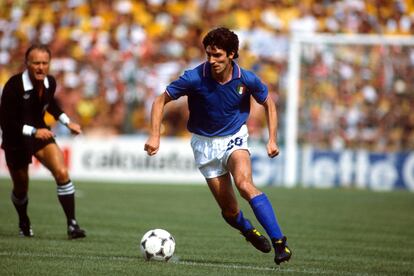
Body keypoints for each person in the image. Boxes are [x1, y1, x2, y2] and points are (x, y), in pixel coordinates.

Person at [144, 27, 291, 265]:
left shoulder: (247, 78)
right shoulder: (194, 77)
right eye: (209, 55)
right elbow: (160, 100)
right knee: (230, 211)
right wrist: (154, 135)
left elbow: (269, 104)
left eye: (218, 56)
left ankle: (279, 243)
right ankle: (247, 230)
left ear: (232, 54)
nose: (212, 61)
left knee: (244, 184)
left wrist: (272, 138)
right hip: (204, 145)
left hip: (234, 137)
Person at [0, 44, 86, 239]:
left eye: (44, 63)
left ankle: (72, 225)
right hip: (16, 140)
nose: (40, 67)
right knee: (21, 188)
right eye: (36, 63)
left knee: (62, 172)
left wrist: (67, 122)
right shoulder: (14, 86)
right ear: (27, 64)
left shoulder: (50, 82)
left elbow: (52, 105)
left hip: (41, 135)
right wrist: (32, 131)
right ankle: (24, 221)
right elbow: (6, 121)